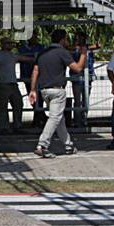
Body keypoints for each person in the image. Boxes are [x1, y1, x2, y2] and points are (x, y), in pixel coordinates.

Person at [29, 29, 87, 158]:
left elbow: (35, 71)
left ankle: (68, 144)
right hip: (57, 90)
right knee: (55, 117)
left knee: (59, 118)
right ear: (62, 39)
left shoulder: (42, 53)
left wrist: (32, 90)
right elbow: (77, 68)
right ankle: (42, 145)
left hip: (44, 90)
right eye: (66, 39)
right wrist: (83, 54)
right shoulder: (62, 52)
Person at [69, 30, 94, 130]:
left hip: (88, 76)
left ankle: (84, 119)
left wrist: (85, 48)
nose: (77, 40)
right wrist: (78, 49)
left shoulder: (87, 48)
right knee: (77, 100)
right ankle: (77, 120)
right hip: (76, 77)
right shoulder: (74, 49)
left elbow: (98, 45)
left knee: (86, 100)